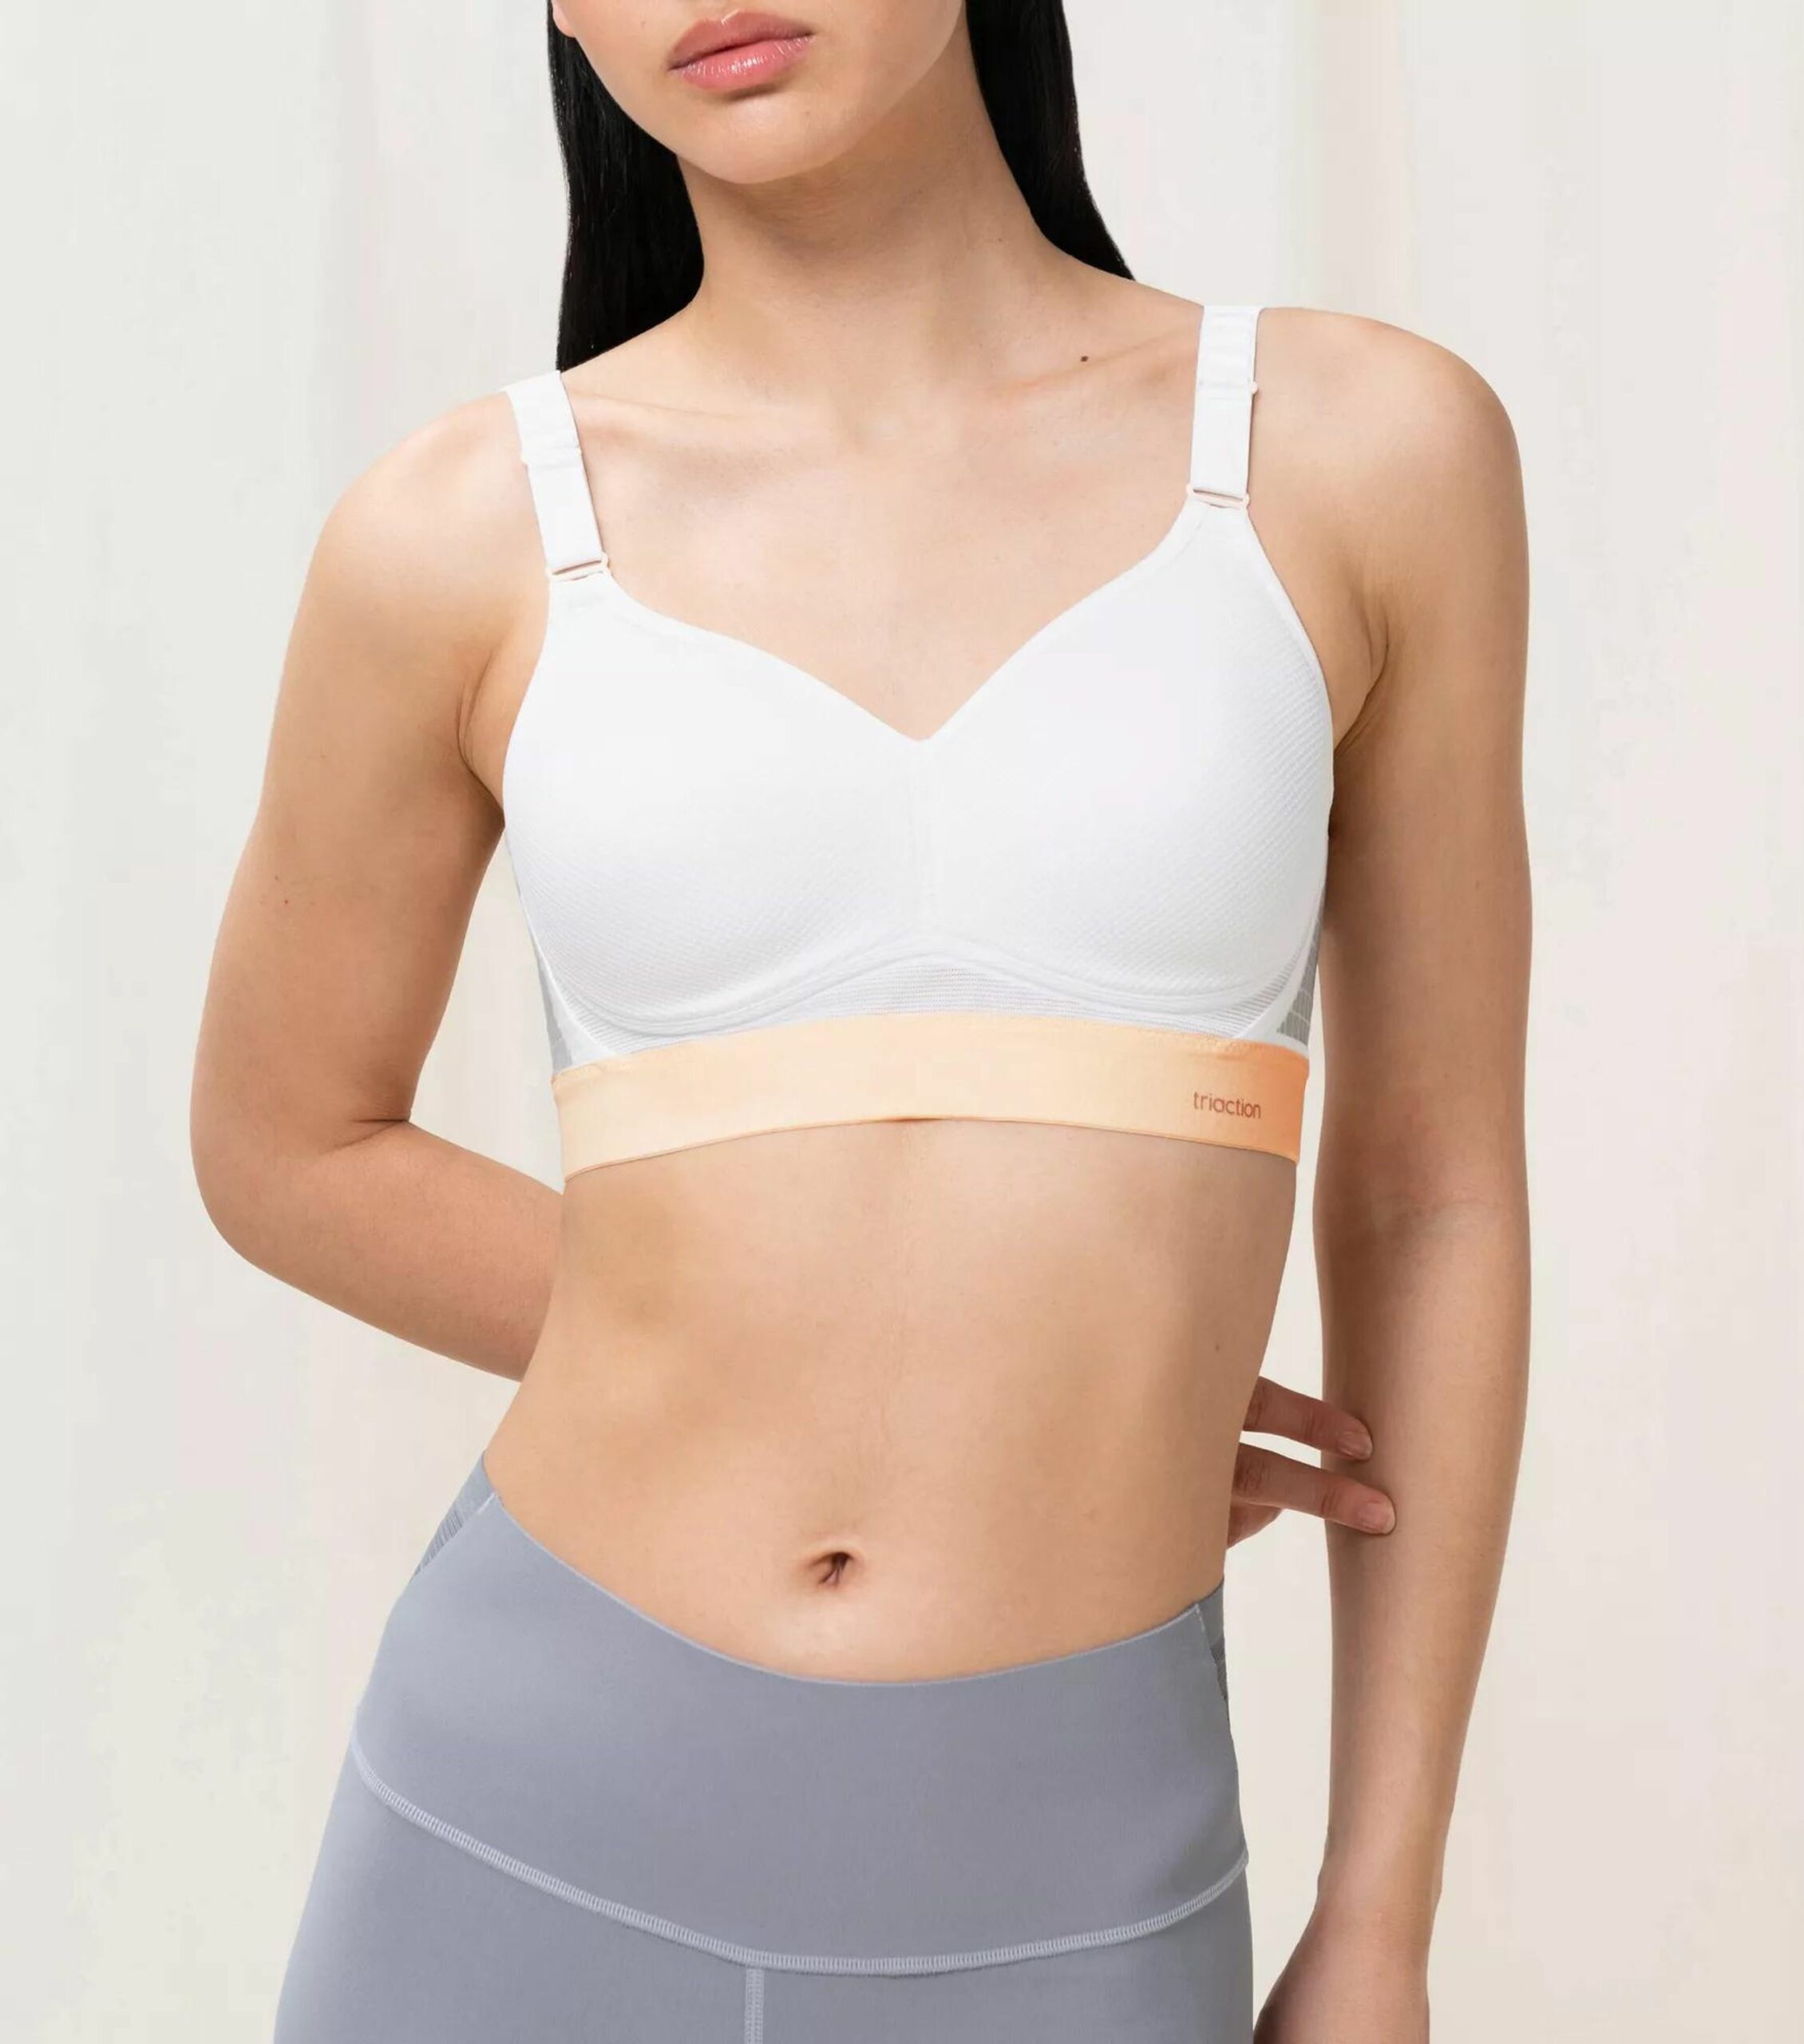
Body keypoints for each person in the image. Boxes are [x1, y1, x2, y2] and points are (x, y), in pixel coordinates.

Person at [192, 5, 1530, 2039]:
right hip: (524, 1818)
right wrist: (849, 1354)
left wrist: (1384, 1916)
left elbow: (1434, 1191)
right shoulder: (457, 529)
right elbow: (284, 1141)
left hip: (1074, 1861)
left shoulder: (1356, 450)